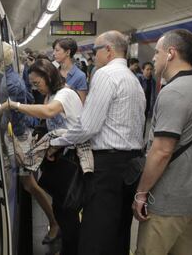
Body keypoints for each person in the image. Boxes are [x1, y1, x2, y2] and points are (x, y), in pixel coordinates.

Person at [50, 30, 145, 255]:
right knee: (118, 231)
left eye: (96, 50)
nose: (94, 55)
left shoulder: (105, 75)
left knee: (96, 233)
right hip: (131, 165)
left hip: (107, 166)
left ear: (108, 50)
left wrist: (58, 142)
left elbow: (88, 126)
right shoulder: (133, 79)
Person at [133, 29, 192, 255]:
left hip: (168, 198)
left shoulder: (174, 92)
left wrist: (141, 193)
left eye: (157, 52)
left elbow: (162, 151)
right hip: (191, 194)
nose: (153, 58)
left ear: (171, 53)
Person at [0, 58, 83, 255]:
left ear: (48, 76)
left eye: (38, 83)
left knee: (67, 210)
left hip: (70, 160)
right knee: (61, 208)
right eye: (33, 85)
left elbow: (48, 112)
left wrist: (15, 105)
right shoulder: (52, 94)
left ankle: (73, 249)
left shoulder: (65, 94)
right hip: (60, 157)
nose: (36, 88)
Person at [52, 38, 88, 102]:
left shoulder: (80, 76)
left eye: (57, 50)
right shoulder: (53, 73)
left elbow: (81, 103)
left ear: (68, 52)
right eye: (54, 50)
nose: (53, 53)